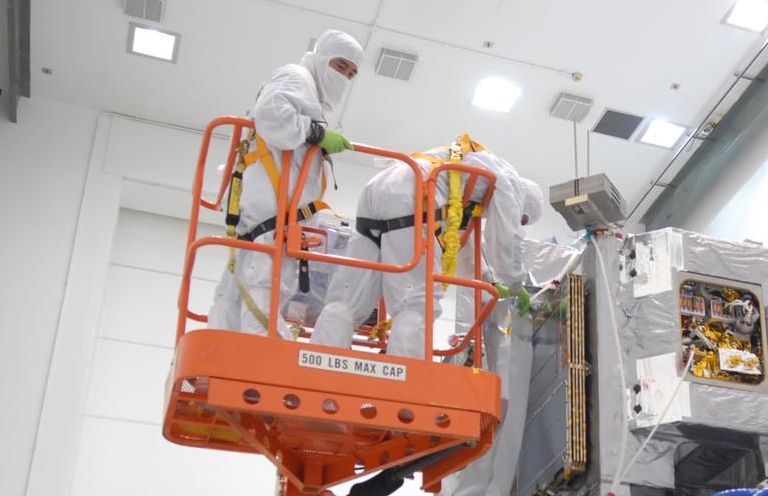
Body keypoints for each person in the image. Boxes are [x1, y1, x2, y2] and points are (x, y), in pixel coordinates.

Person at [310, 135, 537, 357]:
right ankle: (403, 382)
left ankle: (320, 360)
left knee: (349, 294)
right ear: (523, 203)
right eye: (523, 218)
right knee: (414, 303)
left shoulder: (472, 176)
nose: (519, 221)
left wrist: (489, 280)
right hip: (414, 195)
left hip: (380, 187)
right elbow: (508, 239)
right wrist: (516, 283)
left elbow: (458, 241)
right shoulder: (510, 182)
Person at [208, 29, 363, 338]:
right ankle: (253, 368)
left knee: (236, 297)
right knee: (263, 293)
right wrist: (317, 136)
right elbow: (271, 114)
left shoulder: (308, 90)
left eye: (352, 73)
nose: (344, 76)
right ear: (321, 57)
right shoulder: (297, 76)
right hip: (271, 222)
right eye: (340, 65)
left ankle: (220, 358)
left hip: (270, 223)